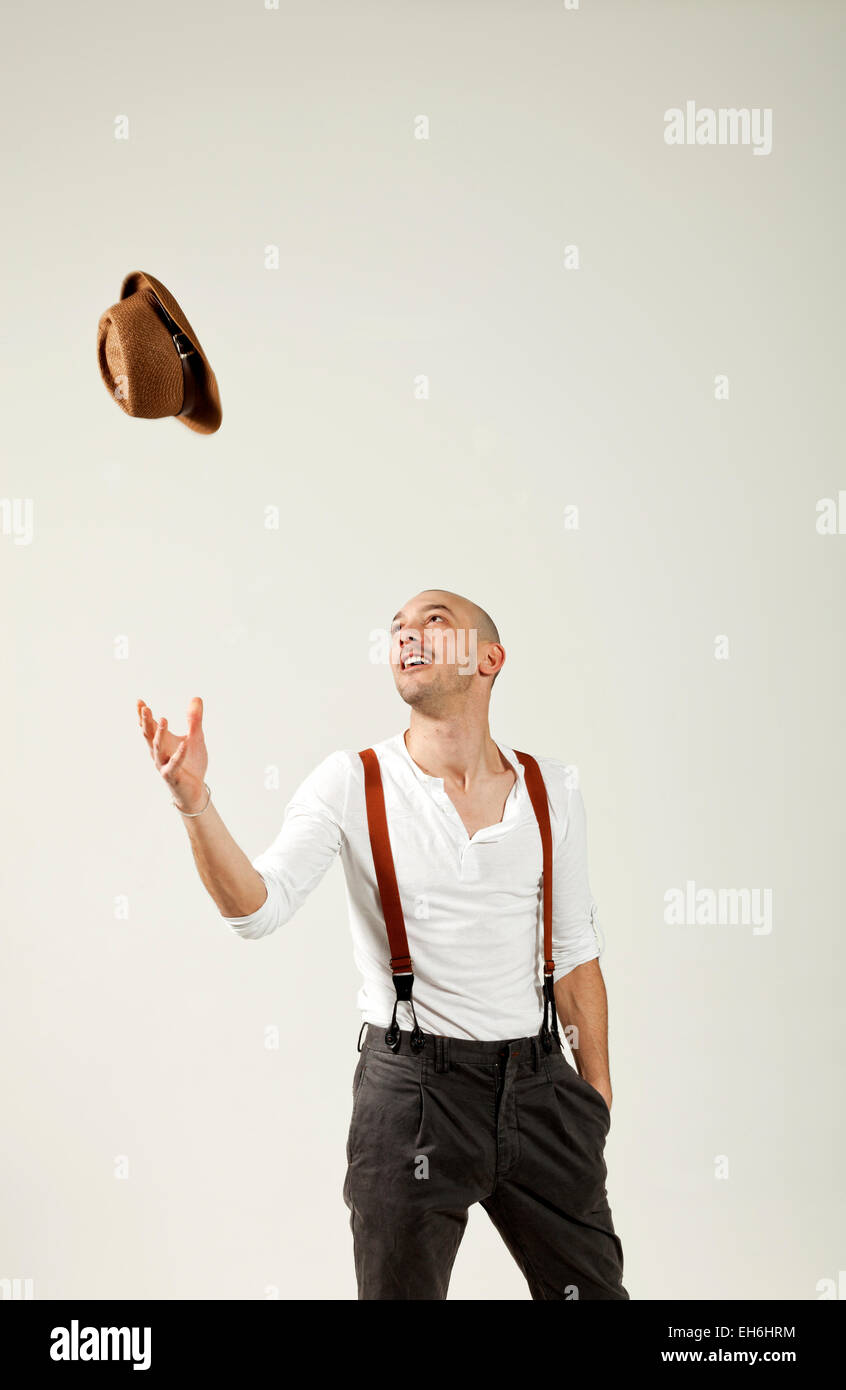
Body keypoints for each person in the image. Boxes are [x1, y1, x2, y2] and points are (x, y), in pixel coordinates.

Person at [136, 588, 628, 1300]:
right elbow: (257, 908)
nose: (406, 633)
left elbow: (576, 949)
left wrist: (596, 1095)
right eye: (396, 626)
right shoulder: (352, 782)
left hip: (543, 1090)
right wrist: (194, 804)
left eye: (433, 620)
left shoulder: (552, 788)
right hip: (415, 1100)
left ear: (489, 659)